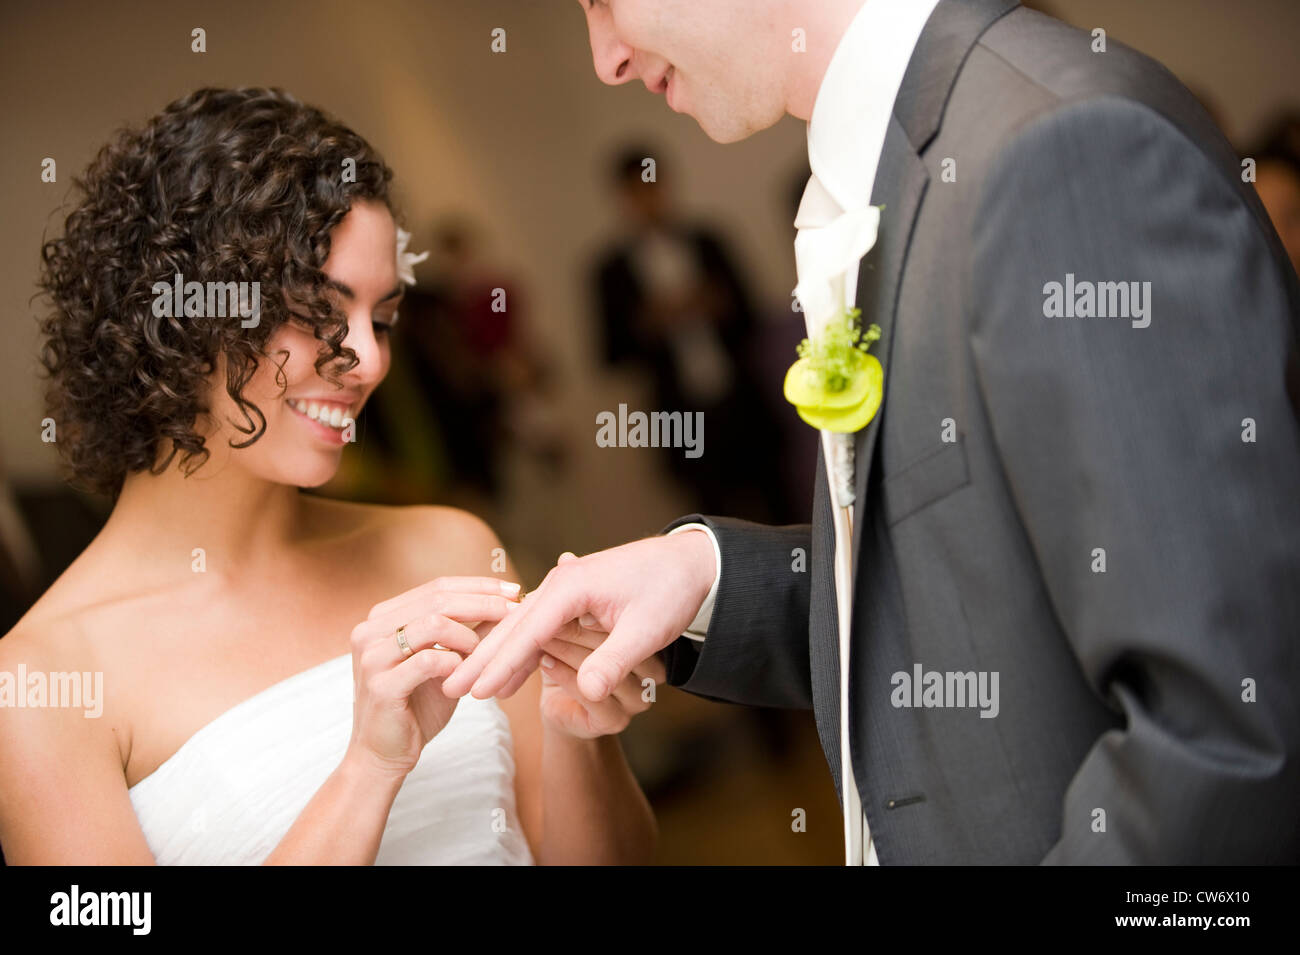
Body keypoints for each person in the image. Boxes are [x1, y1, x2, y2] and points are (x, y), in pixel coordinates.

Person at [443, 0, 1300, 864]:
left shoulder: (1062, 149)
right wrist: (702, 575)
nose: (604, 61)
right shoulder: (905, 163)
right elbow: (962, 588)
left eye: (602, 0)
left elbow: (1225, 736)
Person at [0, 87, 656, 865]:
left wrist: (577, 729)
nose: (371, 360)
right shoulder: (39, 682)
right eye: (319, 312)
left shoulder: (447, 546)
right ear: (178, 315)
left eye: (380, 320)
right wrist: (368, 770)